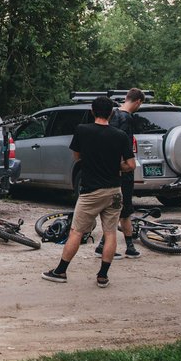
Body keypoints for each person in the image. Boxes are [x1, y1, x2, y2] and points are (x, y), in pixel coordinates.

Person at [42, 95, 135, 288]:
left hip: (91, 191)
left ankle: (60, 271)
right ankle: (102, 275)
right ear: (111, 113)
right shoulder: (120, 135)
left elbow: (77, 156)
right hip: (114, 191)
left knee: (77, 231)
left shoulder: (82, 130)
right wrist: (117, 166)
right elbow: (131, 165)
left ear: (92, 111)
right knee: (110, 233)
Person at [95, 88, 145, 260]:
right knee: (119, 208)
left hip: (113, 169)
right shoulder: (126, 118)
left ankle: (129, 247)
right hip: (122, 171)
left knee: (124, 209)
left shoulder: (114, 115)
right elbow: (122, 145)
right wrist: (125, 165)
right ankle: (104, 246)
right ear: (138, 102)